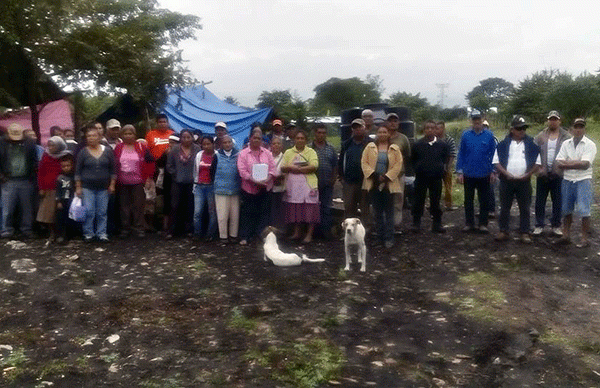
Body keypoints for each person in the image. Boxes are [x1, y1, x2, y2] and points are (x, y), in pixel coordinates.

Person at [493, 116, 541, 243]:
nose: (522, 131)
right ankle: (503, 231)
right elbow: (496, 162)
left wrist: (528, 174)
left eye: (524, 128)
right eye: (519, 128)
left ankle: (525, 232)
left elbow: (538, 162)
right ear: (512, 129)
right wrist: (506, 173)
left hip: (524, 181)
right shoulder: (503, 144)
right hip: (506, 180)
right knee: (504, 207)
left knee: (525, 207)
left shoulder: (531, 143)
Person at [555, 118, 597, 247]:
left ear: (584, 129)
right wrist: (575, 163)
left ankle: (584, 239)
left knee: (585, 210)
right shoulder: (566, 143)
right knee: (566, 209)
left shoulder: (590, 144)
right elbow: (558, 163)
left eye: (581, 127)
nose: (578, 129)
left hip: (583, 180)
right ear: (571, 129)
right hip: (568, 180)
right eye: (576, 127)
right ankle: (566, 235)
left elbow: (585, 165)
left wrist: (567, 163)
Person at [361, 126, 403, 248]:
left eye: (385, 131)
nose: (382, 134)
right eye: (380, 132)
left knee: (389, 212)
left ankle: (389, 238)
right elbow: (364, 162)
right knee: (377, 212)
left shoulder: (394, 148)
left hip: (388, 184)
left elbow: (398, 165)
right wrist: (375, 175)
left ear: (388, 133)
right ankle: (379, 237)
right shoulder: (369, 147)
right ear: (376, 133)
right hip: (373, 183)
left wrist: (386, 176)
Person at [456, 110, 496, 233]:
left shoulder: (489, 135)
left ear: (482, 120)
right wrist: (459, 171)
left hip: (485, 173)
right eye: (474, 120)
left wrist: (493, 171)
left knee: (484, 200)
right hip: (469, 173)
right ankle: (469, 223)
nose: (477, 122)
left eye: (478, 120)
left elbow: (494, 154)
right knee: (468, 200)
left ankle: (483, 224)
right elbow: (461, 153)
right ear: (471, 121)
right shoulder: (465, 135)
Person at [75, 124, 116, 242]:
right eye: (89, 136)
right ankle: (88, 233)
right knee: (89, 211)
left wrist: (112, 184)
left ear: (99, 137)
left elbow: (113, 169)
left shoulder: (107, 151)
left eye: (94, 135)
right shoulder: (83, 152)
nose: (91, 138)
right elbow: (78, 171)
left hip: (104, 187)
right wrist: (78, 187)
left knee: (102, 212)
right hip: (87, 187)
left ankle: (101, 233)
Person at [533, 111, 571, 237]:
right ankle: (539, 225)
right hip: (543, 173)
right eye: (551, 119)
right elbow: (533, 152)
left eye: (555, 119)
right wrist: (538, 170)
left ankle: (556, 225)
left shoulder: (566, 136)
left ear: (559, 121)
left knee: (558, 201)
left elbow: (570, 153)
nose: (553, 121)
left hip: (558, 174)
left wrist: (563, 169)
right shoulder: (541, 135)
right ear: (548, 120)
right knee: (540, 201)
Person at [114, 125, 155, 238]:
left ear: (135, 135)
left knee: (138, 206)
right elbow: (114, 163)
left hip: (137, 182)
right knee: (124, 206)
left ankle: (139, 228)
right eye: (125, 134)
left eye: (130, 134)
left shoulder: (141, 147)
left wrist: (148, 178)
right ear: (122, 135)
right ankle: (125, 228)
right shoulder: (118, 148)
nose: (128, 136)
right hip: (122, 182)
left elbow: (150, 163)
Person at [237, 126, 275, 245]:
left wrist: (268, 179)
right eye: (255, 138)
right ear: (250, 138)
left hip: (265, 188)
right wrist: (254, 180)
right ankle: (245, 236)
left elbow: (273, 169)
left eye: (259, 138)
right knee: (248, 213)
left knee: (263, 213)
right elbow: (242, 171)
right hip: (249, 189)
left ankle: (261, 235)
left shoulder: (267, 153)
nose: (257, 140)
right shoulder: (243, 154)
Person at [411, 120, 451, 233]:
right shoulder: (417, 144)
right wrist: (418, 169)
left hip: (436, 178)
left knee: (436, 201)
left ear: (436, 130)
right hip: (421, 178)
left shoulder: (443, 145)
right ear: (424, 130)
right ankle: (416, 223)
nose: (429, 130)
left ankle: (437, 224)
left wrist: (440, 169)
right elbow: (413, 159)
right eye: (427, 128)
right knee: (418, 200)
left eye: (432, 128)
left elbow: (445, 158)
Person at [281, 129, 320, 243]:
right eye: (298, 138)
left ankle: (309, 234)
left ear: (306, 140)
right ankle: (297, 232)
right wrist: (292, 168)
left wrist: (299, 169)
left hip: (308, 185)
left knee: (310, 208)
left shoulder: (311, 152)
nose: (300, 140)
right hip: (293, 185)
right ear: (294, 140)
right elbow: (283, 167)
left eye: (302, 138)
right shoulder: (288, 152)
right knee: (296, 208)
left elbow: (314, 165)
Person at [0, 123, 38, 238]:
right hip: (8, 179)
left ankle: (26, 229)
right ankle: (6, 230)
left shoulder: (30, 143)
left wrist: (32, 174)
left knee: (27, 208)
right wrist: (1, 176)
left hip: (25, 179)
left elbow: (34, 160)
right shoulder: (1, 143)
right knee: (7, 208)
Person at [166, 129, 200, 238]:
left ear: (192, 138)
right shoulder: (175, 149)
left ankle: (189, 230)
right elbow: (169, 165)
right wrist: (175, 175)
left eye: (188, 137)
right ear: (180, 138)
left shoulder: (197, 149)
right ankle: (172, 231)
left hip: (191, 182)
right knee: (175, 206)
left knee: (190, 206)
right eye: (183, 137)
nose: (186, 139)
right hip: (177, 182)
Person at [338, 118, 372, 224]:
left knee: (365, 207)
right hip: (349, 182)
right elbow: (341, 161)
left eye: (359, 127)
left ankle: (366, 231)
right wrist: (342, 177)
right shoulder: (346, 144)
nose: (357, 130)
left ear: (364, 127)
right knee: (349, 207)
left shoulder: (371, 143)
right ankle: (349, 231)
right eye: (355, 128)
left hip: (365, 181)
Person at [37, 136, 69, 241]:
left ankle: (62, 234)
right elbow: (41, 172)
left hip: (62, 188)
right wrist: (41, 187)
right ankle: (52, 233)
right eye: (49, 145)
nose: (50, 147)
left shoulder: (66, 155)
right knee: (48, 214)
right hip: (48, 188)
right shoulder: (46, 155)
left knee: (60, 212)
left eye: (53, 145)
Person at [145, 114, 174, 231]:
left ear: (168, 122)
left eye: (164, 121)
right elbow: (147, 152)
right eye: (160, 122)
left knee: (168, 195)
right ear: (157, 123)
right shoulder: (150, 134)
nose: (162, 123)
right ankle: (152, 223)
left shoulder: (172, 134)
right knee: (153, 196)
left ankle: (167, 222)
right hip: (155, 168)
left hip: (169, 168)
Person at [212, 135, 241, 243]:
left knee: (235, 214)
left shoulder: (238, 155)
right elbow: (212, 172)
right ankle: (223, 236)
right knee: (222, 215)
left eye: (229, 142)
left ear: (232, 143)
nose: (227, 144)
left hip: (235, 189)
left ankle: (233, 235)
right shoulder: (216, 155)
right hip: (221, 189)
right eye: (225, 142)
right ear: (221, 144)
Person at [311, 123, 338, 239]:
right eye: (319, 132)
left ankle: (326, 233)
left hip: (327, 183)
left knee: (326, 208)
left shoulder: (331, 148)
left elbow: (335, 166)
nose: (321, 135)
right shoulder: (309, 148)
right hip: (312, 184)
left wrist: (333, 180)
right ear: (315, 133)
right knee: (313, 208)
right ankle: (314, 233)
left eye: (323, 133)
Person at [387, 113, 411, 230]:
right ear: (386, 123)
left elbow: (407, 155)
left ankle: (396, 225)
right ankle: (385, 225)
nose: (392, 123)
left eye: (395, 121)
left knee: (398, 200)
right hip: (383, 175)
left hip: (398, 175)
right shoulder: (381, 136)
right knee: (385, 200)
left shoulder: (403, 138)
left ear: (398, 123)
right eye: (390, 121)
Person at [192, 136, 218, 240]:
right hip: (199, 186)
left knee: (212, 212)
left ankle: (210, 234)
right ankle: (197, 233)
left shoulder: (217, 155)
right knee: (197, 212)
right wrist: (195, 183)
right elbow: (195, 170)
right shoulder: (199, 155)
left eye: (208, 144)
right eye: (204, 144)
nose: (206, 146)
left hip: (211, 186)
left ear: (213, 144)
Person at [55, 153, 78, 243]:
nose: (66, 168)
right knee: (61, 218)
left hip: (72, 201)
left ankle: (72, 235)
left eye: (68, 166)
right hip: (63, 201)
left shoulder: (75, 177)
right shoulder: (60, 178)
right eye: (63, 166)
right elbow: (58, 191)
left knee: (72, 218)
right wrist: (58, 201)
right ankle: (61, 235)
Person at [435, 121, 458, 210]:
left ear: (443, 129)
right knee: (435, 187)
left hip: (446, 164)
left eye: (438, 128)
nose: (436, 130)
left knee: (448, 186)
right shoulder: (434, 140)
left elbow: (452, 154)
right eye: (435, 128)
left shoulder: (449, 140)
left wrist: (448, 167)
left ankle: (448, 204)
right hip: (436, 166)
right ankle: (435, 203)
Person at [269, 136, 286, 229]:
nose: (276, 145)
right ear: (270, 145)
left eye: (278, 143)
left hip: (280, 189)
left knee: (280, 211)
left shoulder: (285, 158)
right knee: (269, 211)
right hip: (268, 188)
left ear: (282, 146)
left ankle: (279, 231)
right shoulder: (267, 156)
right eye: (274, 143)